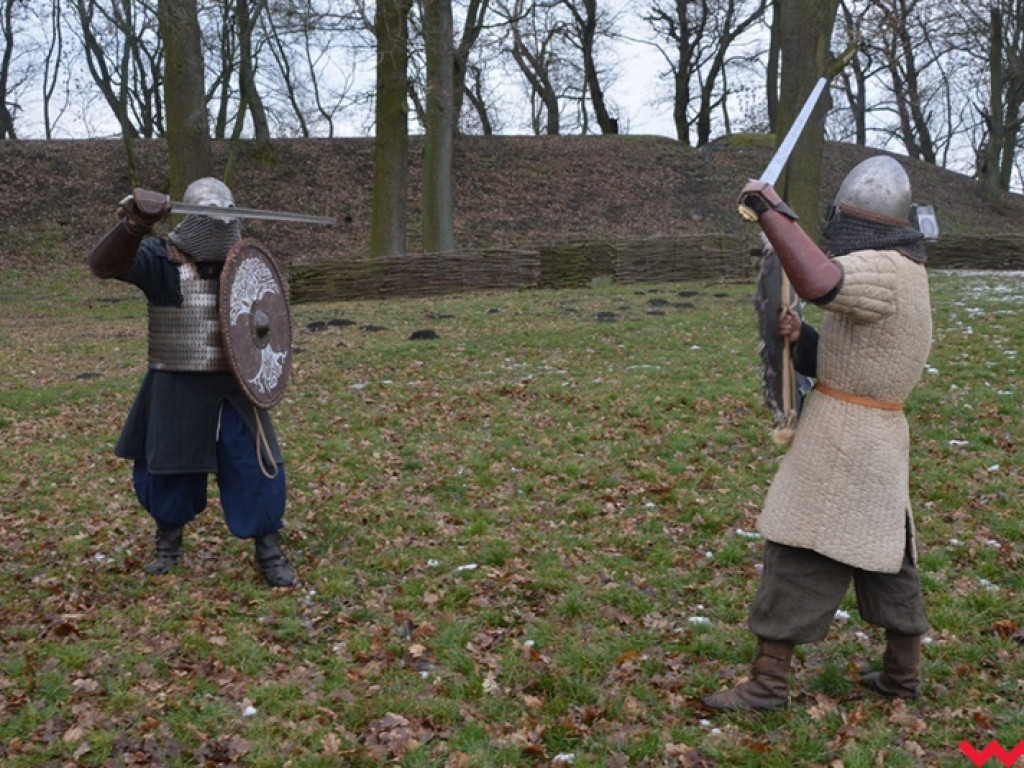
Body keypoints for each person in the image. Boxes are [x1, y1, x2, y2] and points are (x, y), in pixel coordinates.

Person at [702, 155, 933, 710]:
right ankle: (902, 678)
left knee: (799, 548)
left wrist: (772, 210)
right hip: (873, 436)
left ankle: (767, 685)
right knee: (886, 558)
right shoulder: (901, 271)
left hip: (847, 444)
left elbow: (818, 278)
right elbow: (856, 357)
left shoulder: (885, 268)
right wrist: (804, 338)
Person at [88, 178, 295, 587]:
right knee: (167, 471)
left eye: (226, 216)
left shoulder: (245, 265)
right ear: (193, 219)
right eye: (211, 219)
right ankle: (168, 544)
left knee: (257, 466)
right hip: (175, 386)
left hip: (237, 387)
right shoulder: (161, 259)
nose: (220, 226)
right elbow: (103, 265)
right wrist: (135, 225)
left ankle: (268, 549)